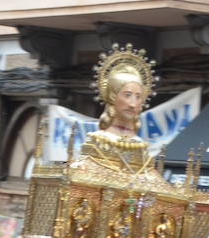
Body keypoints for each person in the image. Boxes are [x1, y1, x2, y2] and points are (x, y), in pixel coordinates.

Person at [70, 45, 166, 185]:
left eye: (138, 97)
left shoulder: (140, 146)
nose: (132, 104)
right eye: (127, 95)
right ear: (113, 97)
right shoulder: (100, 141)